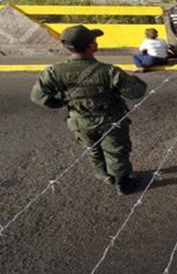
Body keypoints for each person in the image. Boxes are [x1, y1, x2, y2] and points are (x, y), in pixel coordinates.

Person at [30, 25, 147, 195]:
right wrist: (131, 77)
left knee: (93, 149)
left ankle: (105, 176)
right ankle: (122, 182)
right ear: (91, 46)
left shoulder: (54, 71)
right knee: (116, 151)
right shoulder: (109, 71)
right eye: (94, 40)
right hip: (110, 120)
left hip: (79, 120)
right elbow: (136, 92)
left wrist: (61, 103)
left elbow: (38, 96)